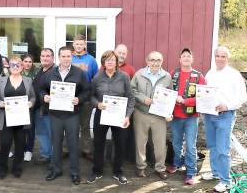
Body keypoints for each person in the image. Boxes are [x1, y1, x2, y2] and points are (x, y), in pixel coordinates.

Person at [41, 46, 90, 185]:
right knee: (56, 143)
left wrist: (79, 99)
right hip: (55, 115)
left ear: (72, 56)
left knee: (73, 144)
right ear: (59, 57)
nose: (66, 59)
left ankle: (75, 172)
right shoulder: (50, 73)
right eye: (63, 56)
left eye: (68, 56)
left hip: (72, 115)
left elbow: (87, 91)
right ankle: (56, 170)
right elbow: (40, 89)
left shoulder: (79, 73)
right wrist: (44, 96)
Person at [201, 46, 247, 192]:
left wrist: (226, 106)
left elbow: (242, 97)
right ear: (214, 57)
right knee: (212, 146)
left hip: (225, 116)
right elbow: (206, 93)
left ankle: (226, 180)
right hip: (209, 115)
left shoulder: (234, 75)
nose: (220, 59)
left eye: (223, 56)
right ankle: (215, 172)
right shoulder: (210, 73)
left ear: (228, 58)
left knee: (223, 149)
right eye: (217, 56)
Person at [86, 50, 135, 185]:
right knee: (98, 143)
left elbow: (131, 98)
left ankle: (118, 172)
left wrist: (127, 116)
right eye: (107, 60)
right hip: (102, 114)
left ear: (116, 62)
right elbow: (91, 96)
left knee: (120, 144)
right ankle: (97, 171)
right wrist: (97, 104)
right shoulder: (97, 77)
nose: (110, 62)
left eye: (112, 59)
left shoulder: (124, 77)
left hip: (119, 116)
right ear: (103, 62)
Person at [166, 48, 206, 185]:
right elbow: (167, 92)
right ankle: (177, 163)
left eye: (189, 56)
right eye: (184, 56)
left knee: (190, 145)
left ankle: (191, 172)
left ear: (192, 59)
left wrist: (185, 101)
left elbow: (203, 97)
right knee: (176, 143)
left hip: (191, 117)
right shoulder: (174, 73)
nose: (186, 58)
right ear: (180, 59)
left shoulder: (199, 76)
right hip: (176, 116)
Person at [130, 51, 172, 180]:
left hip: (159, 115)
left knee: (160, 143)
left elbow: (170, 95)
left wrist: (168, 112)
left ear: (162, 61)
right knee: (140, 142)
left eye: (158, 60)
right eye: (152, 60)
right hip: (141, 112)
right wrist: (143, 99)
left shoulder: (167, 77)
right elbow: (132, 90)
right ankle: (141, 167)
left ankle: (160, 168)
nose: (155, 63)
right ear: (147, 61)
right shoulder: (139, 74)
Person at [0, 56, 36, 179]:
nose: (15, 67)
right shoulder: (1, 80)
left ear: (22, 67)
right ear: (9, 66)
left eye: (18, 65)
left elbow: (33, 97)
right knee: (5, 143)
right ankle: (2, 167)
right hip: (6, 118)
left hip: (22, 119)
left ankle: (17, 167)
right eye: (13, 65)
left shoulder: (28, 80)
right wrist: (0, 103)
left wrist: (31, 103)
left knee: (20, 144)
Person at [71, 34, 98, 160]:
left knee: (85, 125)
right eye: (77, 44)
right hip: (70, 98)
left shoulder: (91, 60)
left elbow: (95, 78)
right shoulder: (68, 58)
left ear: (85, 45)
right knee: (70, 125)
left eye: (81, 44)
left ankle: (86, 150)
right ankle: (68, 148)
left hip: (86, 98)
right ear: (73, 45)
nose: (79, 46)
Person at [33, 48, 55, 164]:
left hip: (50, 110)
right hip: (38, 108)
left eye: (48, 56)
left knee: (52, 134)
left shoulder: (56, 72)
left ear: (53, 58)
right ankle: (45, 154)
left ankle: (54, 157)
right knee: (41, 133)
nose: (45, 58)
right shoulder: (39, 70)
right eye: (43, 56)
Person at [21, 54, 38, 162]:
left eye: (30, 62)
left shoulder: (36, 73)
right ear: (22, 62)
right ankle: (22, 149)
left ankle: (29, 150)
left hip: (31, 105)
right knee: (20, 129)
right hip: (19, 105)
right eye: (25, 61)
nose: (27, 64)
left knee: (30, 129)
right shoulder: (17, 71)